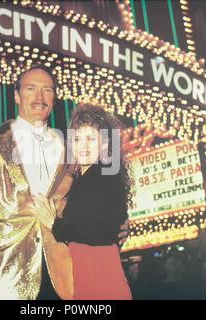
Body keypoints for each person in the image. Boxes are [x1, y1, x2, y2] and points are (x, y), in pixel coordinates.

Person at [0, 65, 129, 300]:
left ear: (54, 98)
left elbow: (94, 193)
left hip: (65, 273)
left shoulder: (72, 147)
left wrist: (119, 219)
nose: (40, 97)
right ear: (16, 95)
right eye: (31, 88)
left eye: (47, 90)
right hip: (6, 275)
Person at [29, 104, 132, 299]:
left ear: (104, 143)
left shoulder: (104, 175)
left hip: (101, 278)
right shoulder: (83, 180)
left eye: (91, 139)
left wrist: (53, 223)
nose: (83, 146)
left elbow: (100, 231)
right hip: (85, 275)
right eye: (77, 139)